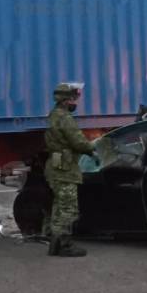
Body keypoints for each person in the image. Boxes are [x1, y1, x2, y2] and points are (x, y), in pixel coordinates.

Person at [44, 82, 96, 257]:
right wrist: (93, 149)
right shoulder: (65, 118)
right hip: (65, 169)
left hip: (55, 166)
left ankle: (55, 244)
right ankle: (65, 246)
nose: (75, 103)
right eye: (73, 99)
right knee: (68, 208)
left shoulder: (53, 115)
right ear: (66, 100)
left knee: (59, 206)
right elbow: (78, 141)